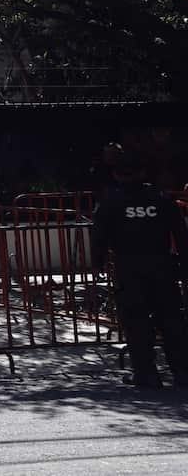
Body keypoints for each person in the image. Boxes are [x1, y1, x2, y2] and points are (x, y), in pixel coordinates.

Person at [91, 151, 188, 389]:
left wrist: (97, 263)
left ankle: (146, 374)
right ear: (143, 172)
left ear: (116, 174)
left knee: (137, 322)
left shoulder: (111, 201)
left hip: (130, 269)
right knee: (172, 320)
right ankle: (182, 371)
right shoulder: (162, 198)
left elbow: (99, 235)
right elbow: (181, 234)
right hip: (163, 267)